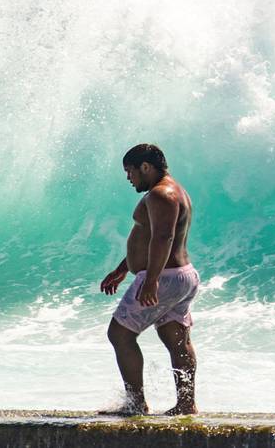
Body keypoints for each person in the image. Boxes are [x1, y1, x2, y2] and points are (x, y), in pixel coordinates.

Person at [99, 143, 200, 415]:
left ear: (145, 167)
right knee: (175, 337)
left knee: (119, 334)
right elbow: (149, 236)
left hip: (164, 277)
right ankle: (186, 404)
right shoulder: (175, 191)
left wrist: (152, 280)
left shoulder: (161, 195)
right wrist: (124, 268)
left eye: (130, 171)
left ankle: (136, 404)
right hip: (181, 276)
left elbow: (163, 238)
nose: (129, 178)